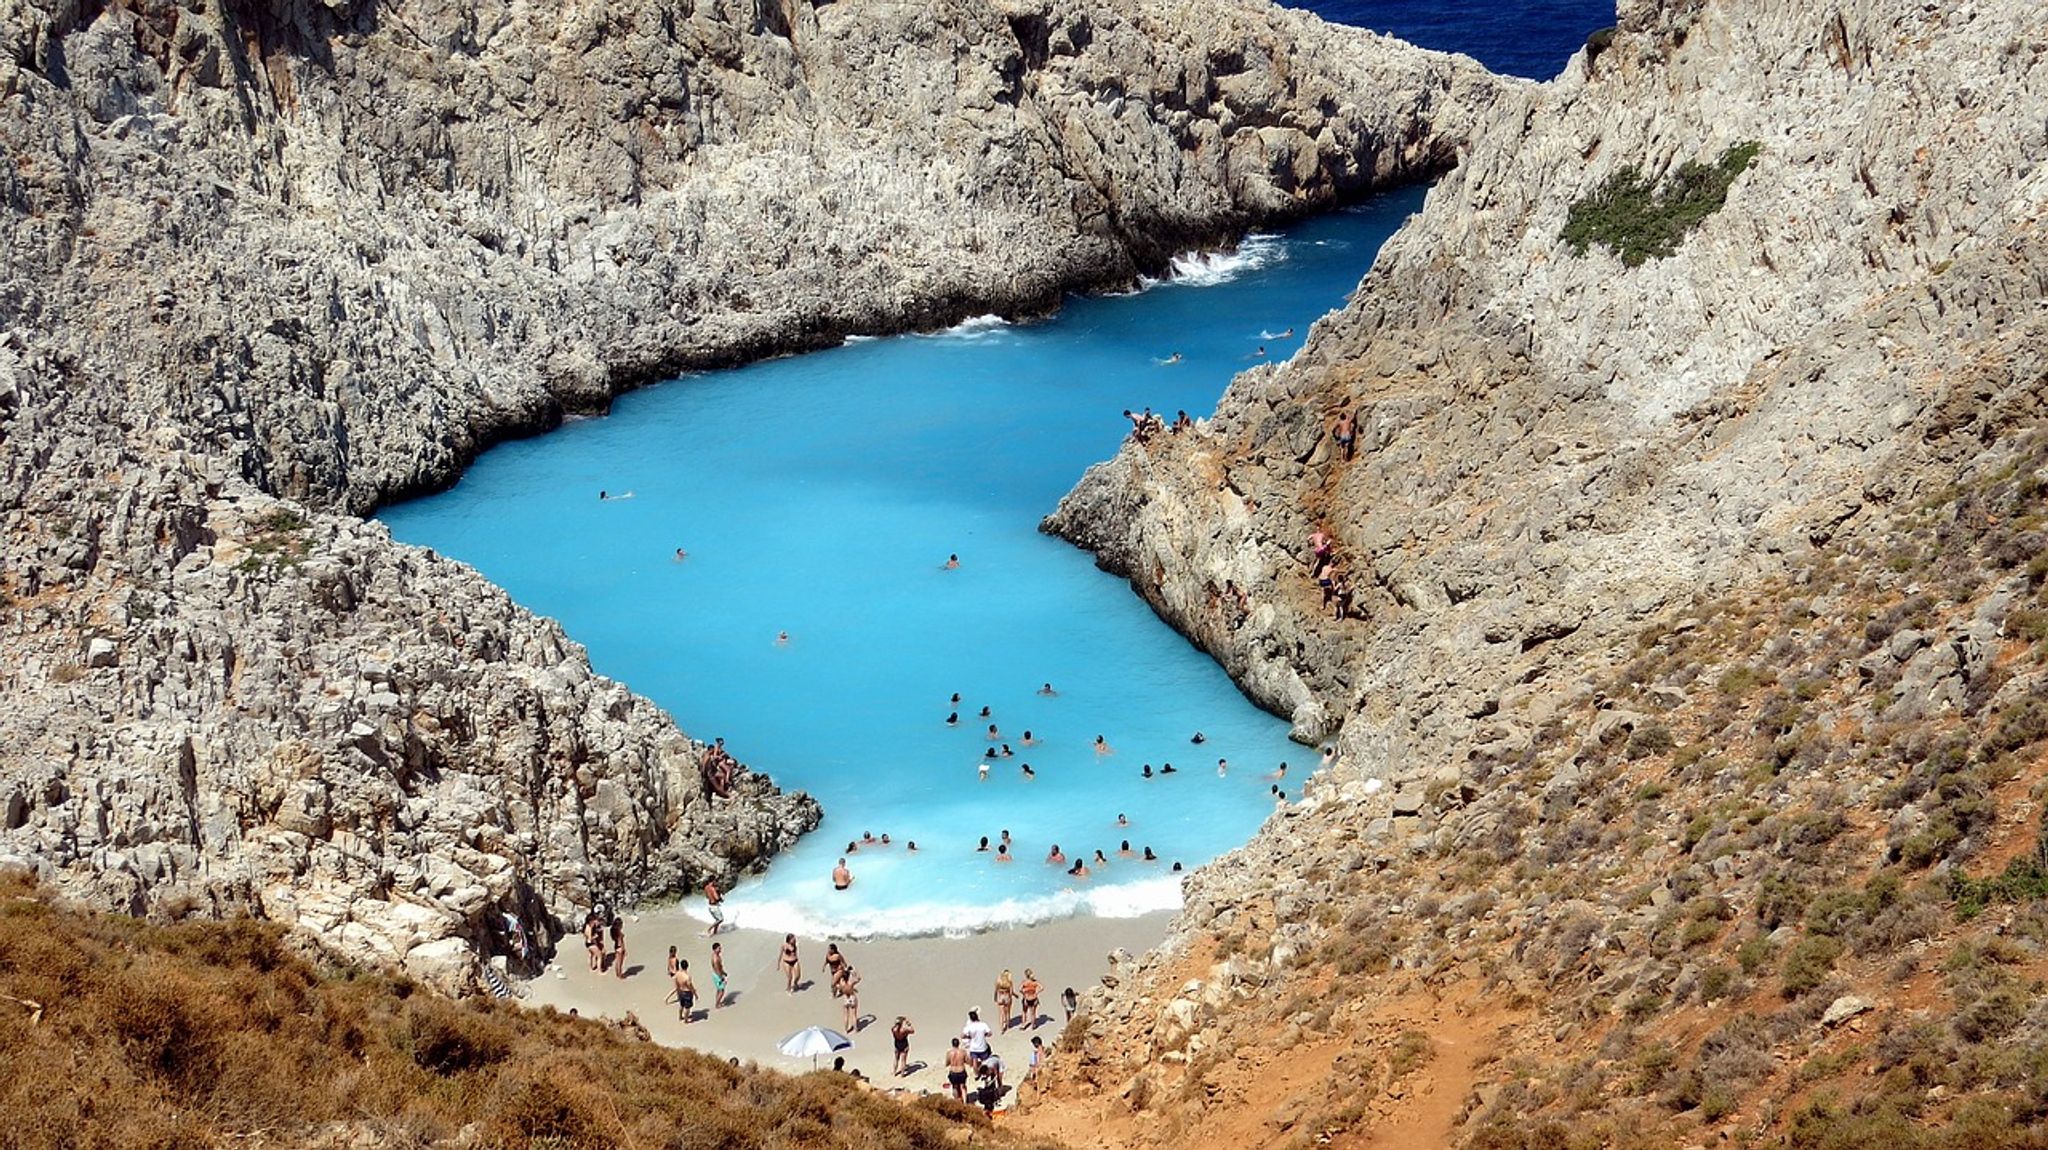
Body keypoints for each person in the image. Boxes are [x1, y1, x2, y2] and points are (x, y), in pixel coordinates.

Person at [837, 964, 862, 1032]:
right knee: (854, 1014)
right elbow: (859, 978)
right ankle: (856, 1029)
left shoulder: (841, 983)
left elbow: (838, 987)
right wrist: (854, 971)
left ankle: (846, 1030)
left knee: (846, 1015)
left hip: (846, 998)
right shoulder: (851, 982)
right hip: (852, 997)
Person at [710, 941, 728, 1008]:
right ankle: (717, 1004)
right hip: (718, 975)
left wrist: (724, 972)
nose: (720, 950)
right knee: (722, 991)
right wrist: (722, 977)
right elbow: (717, 969)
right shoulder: (715, 959)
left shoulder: (715, 956)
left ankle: (717, 1002)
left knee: (718, 990)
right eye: (719, 948)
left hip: (716, 974)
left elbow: (719, 967)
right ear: (715, 949)